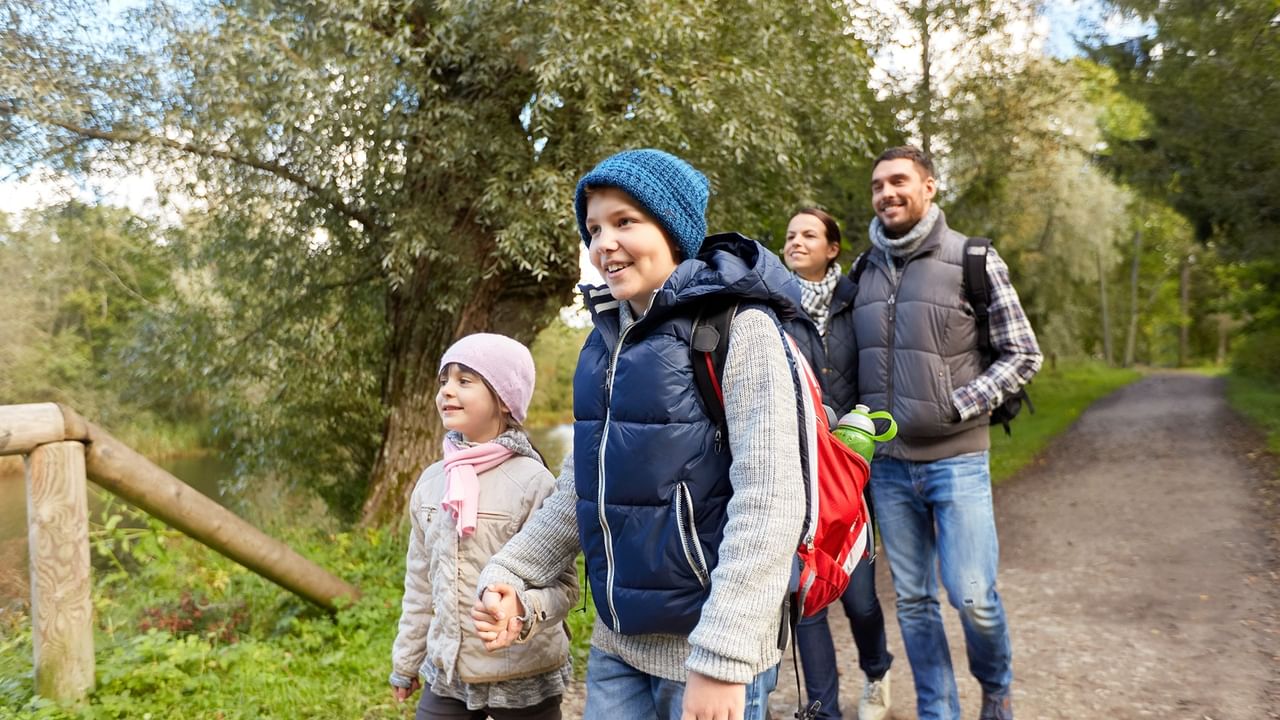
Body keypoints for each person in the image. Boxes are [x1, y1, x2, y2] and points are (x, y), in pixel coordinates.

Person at [471, 148, 806, 720]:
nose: (604, 243)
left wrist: (724, 655)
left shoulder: (740, 330)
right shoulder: (605, 341)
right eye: (594, 228)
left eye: (626, 222)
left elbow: (772, 500)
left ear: (673, 229)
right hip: (617, 645)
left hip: (709, 648)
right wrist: (513, 570)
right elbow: (586, 485)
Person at [851, 146, 1042, 720]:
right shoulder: (863, 272)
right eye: (878, 185)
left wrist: (960, 404)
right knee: (912, 600)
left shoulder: (972, 260)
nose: (887, 193)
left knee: (972, 596)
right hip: (887, 465)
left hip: (956, 461)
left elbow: (1022, 354)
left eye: (900, 181)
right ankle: (940, 710)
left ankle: (996, 684)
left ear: (929, 187)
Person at [389, 332, 577, 720]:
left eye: (464, 380)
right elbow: (421, 586)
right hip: (449, 669)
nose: (447, 391)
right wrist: (406, 662)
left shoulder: (533, 482)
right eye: (444, 381)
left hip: (523, 673)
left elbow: (566, 588)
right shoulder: (431, 482)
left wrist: (523, 611)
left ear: (504, 399)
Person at [780, 207, 894, 720]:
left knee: (861, 598)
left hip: (851, 469)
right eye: (789, 235)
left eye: (809, 234)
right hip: (796, 470)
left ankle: (877, 673)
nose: (796, 241)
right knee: (807, 600)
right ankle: (823, 709)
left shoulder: (859, 302)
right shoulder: (772, 308)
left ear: (832, 249)